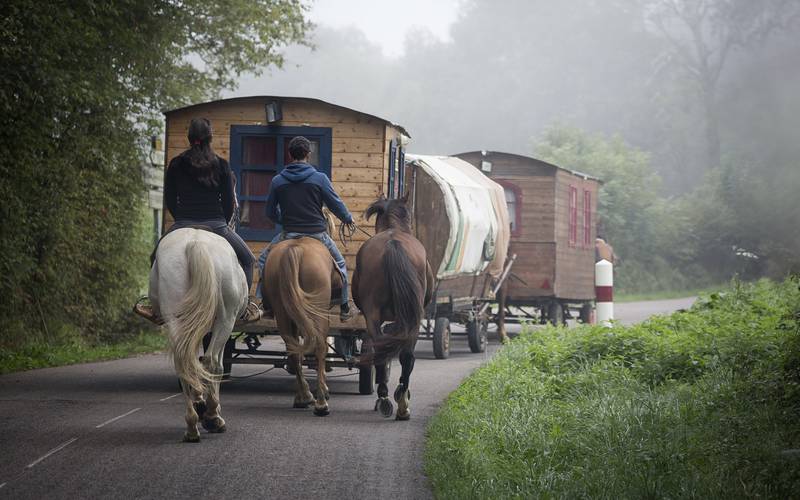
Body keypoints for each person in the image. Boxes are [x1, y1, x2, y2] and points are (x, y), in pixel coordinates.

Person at [135, 118, 261, 323]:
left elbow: (170, 198)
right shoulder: (221, 165)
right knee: (248, 260)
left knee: (155, 257)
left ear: (189, 137)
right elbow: (229, 202)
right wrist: (222, 220)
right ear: (210, 138)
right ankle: (244, 307)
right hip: (217, 224)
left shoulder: (176, 163)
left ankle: (155, 308)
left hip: (183, 222)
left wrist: (181, 220)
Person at [258, 136, 354, 321]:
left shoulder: (278, 181)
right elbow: (335, 204)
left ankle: (263, 302)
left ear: (290, 155)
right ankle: (344, 306)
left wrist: (283, 220)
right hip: (317, 235)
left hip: (288, 233)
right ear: (308, 155)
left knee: (263, 261)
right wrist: (347, 218)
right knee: (340, 264)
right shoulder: (320, 179)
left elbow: (269, 212)